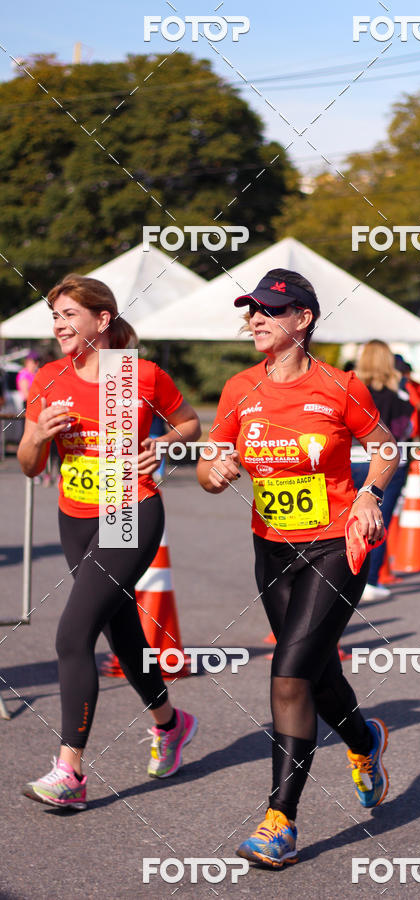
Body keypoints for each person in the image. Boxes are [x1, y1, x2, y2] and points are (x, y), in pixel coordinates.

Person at [197, 268, 398, 868]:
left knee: (287, 676)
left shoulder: (340, 387)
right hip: (272, 550)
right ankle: (364, 740)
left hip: (336, 544)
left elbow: (386, 446)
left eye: (269, 310)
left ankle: (279, 821)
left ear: (302, 319)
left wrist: (369, 494)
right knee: (310, 671)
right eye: (251, 310)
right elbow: (210, 464)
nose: (255, 318)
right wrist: (214, 472)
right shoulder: (239, 389)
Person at [17, 274, 200, 811]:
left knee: (73, 635)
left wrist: (164, 442)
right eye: (54, 314)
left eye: (70, 313)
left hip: (129, 511)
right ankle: (170, 723)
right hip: (74, 518)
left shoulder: (140, 376)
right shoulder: (48, 379)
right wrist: (34, 436)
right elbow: (30, 468)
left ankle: (69, 770)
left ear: (102, 320)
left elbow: (188, 421)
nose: (58, 323)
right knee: (121, 631)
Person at [351, 341, 413, 601]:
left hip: (350, 459)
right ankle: (370, 580)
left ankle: (344, 577)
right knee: (377, 522)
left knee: (348, 521)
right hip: (388, 463)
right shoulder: (400, 397)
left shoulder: (350, 392)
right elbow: (404, 432)